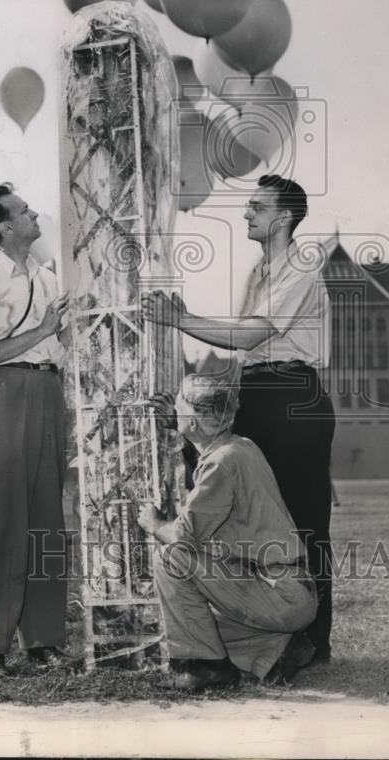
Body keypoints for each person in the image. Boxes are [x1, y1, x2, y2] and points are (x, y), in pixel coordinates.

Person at [143, 174, 335, 663]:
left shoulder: (301, 270)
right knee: (250, 514)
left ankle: (313, 641)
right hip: (259, 390)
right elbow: (246, 352)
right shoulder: (259, 271)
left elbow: (250, 336)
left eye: (257, 206)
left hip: (293, 394)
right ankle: (275, 634)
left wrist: (181, 320)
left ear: (285, 216)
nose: (246, 213)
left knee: (303, 519)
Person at [137, 375, 318, 691]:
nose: (173, 405)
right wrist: (181, 427)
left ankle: (206, 668)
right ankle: (279, 650)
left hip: (277, 591)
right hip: (290, 589)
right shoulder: (241, 447)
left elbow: (184, 536)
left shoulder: (222, 462)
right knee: (200, 627)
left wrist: (153, 523)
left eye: (179, 402)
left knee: (171, 557)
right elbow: (210, 464)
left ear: (195, 419)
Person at [0, 183, 70, 681]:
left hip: (50, 395)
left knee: (47, 522)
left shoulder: (50, 278)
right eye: (24, 211)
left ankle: (44, 640)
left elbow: (62, 344)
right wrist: (45, 331)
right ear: (7, 227)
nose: (33, 214)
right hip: (3, 392)